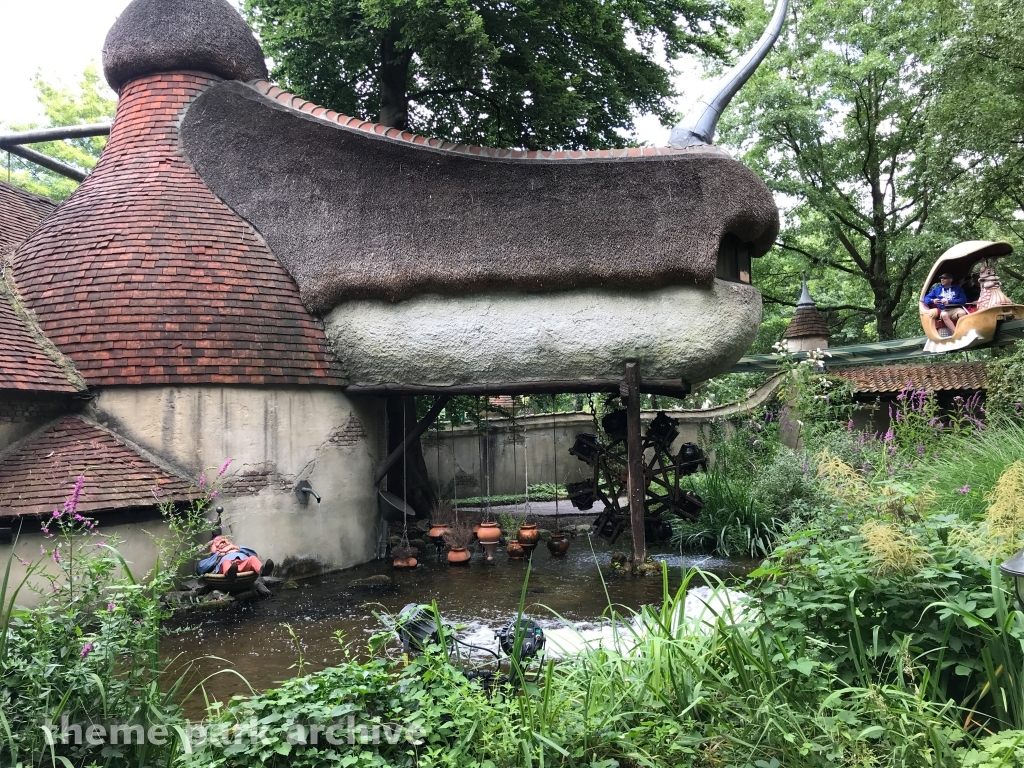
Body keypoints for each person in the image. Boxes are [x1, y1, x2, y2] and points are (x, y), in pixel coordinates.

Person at [197, 535, 274, 579]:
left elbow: (254, 554)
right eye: (218, 543)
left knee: (253, 559)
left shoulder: (237, 549)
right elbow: (200, 568)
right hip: (228, 567)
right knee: (226, 562)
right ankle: (230, 574)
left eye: (224, 542)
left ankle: (263, 571)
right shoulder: (216, 556)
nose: (222, 544)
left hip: (243, 563)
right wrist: (219, 553)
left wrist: (236, 548)